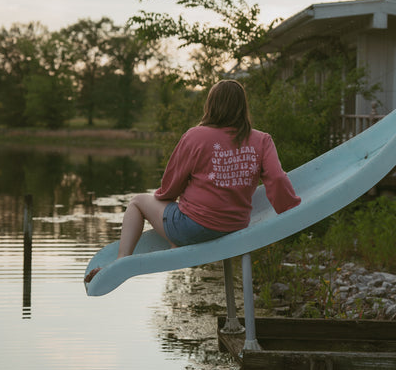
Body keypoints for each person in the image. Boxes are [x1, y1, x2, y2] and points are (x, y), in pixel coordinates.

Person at [85, 79, 301, 283]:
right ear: (243, 107)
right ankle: (173, 241)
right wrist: (289, 210)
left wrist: (164, 204)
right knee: (176, 218)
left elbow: (171, 184)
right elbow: (277, 178)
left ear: (211, 106)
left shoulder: (195, 136)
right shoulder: (262, 140)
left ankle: (123, 261)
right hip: (235, 226)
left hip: (192, 228)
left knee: (137, 202)